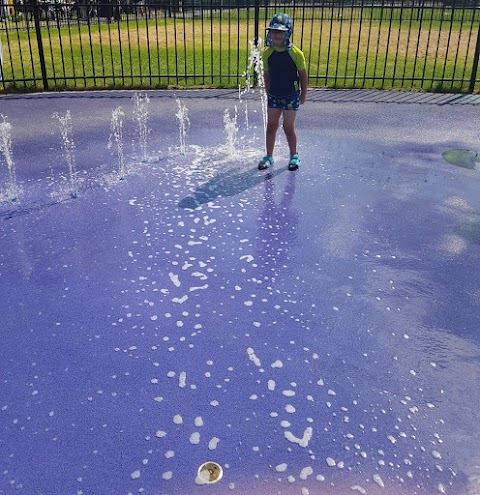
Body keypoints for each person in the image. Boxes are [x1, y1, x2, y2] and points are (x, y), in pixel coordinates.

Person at [258, 13, 308, 172]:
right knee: (271, 126)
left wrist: (303, 94)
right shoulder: (267, 53)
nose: (276, 35)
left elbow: (303, 75)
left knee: (288, 127)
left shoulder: (295, 53)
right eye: (273, 31)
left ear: (288, 33)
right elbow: (266, 74)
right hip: (274, 95)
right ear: (269, 33)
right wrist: (267, 90)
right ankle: (269, 155)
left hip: (290, 96)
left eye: (280, 32)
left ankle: (294, 155)